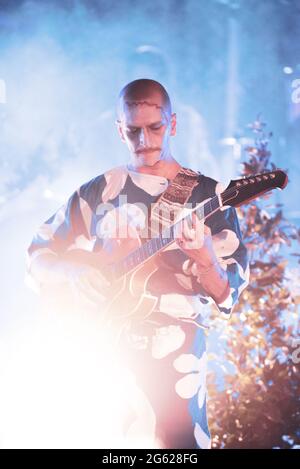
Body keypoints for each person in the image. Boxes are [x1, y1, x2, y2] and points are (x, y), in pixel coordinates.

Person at [26, 79, 249, 449]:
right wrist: (76, 271)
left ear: (172, 124)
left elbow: (228, 295)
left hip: (176, 360)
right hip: (102, 354)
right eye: (133, 131)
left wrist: (206, 260)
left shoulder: (210, 197)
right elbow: (38, 254)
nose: (144, 140)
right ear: (119, 130)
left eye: (155, 127)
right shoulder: (97, 192)